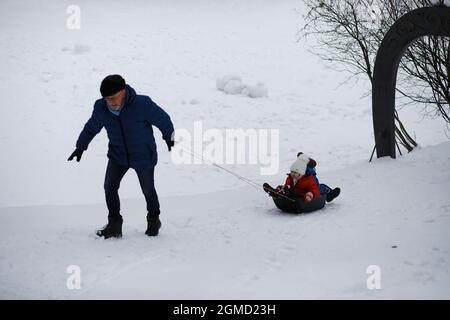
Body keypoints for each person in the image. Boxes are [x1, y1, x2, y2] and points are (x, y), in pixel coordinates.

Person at [68, 75, 174, 239]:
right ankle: (114, 224)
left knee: (148, 190)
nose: (111, 102)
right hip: (118, 156)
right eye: (107, 99)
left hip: (142, 155)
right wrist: (80, 147)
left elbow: (163, 119)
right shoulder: (101, 108)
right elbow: (91, 128)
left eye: (114, 97)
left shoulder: (142, 104)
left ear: (123, 91)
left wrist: (169, 136)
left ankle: (154, 220)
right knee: (109, 187)